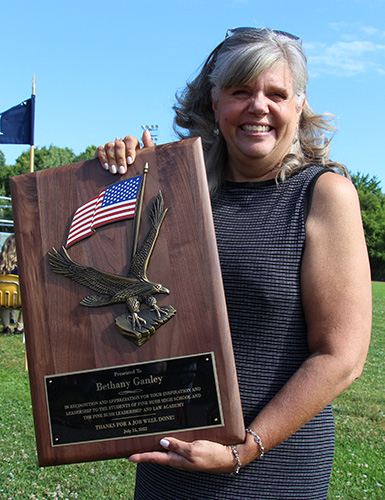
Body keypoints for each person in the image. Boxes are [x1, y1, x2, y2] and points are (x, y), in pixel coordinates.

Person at [96, 28, 372, 500]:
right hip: (170, 464)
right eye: (241, 91)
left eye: (276, 94)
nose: (258, 107)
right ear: (214, 99)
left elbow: (340, 358)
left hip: (273, 473)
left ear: (300, 103)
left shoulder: (324, 195)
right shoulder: (177, 186)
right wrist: (116, 170)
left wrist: (243, 450)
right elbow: (105, 253)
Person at [0, 234, 24, 334]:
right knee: (28, 300)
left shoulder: (1, 264)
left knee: (2, 297)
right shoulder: (22, 265)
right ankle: (19, 327)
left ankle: (6, 327)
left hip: (3, 301)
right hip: (19, 301)